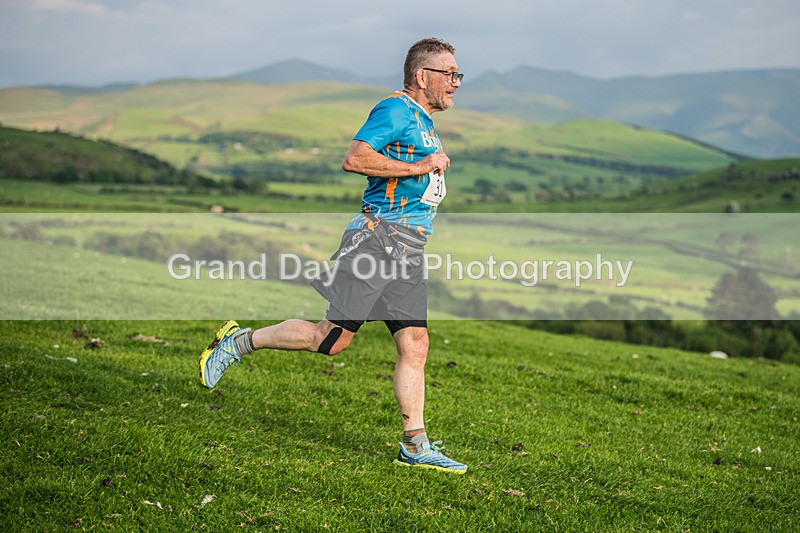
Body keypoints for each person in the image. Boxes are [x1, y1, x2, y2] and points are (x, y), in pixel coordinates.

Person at [198, 37, 466, 474]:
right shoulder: (395, 109)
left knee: (415, 343)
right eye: (449, 74)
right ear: (423, 76)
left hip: (409, 248)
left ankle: (415, 445)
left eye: (458, 75)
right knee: (331, 339)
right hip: (379, 241)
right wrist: (421, 166)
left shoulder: (423, 120)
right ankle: (238, 342)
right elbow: (355, 158)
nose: (455, 83)